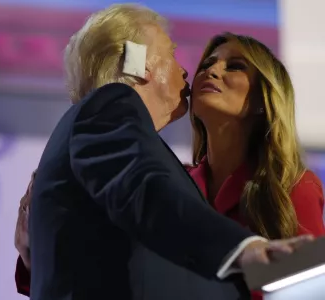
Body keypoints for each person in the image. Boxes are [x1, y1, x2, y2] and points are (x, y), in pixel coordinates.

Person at [16, 4, 314, 300]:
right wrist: (245, 251)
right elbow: (142, 192)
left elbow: (303, 277)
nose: (190, 70)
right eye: (172, 54)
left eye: (234, 66)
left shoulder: (289, 186)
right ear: (140, 63)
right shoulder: (113, 109)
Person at [185, 32, 325, 299]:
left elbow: (307, 292)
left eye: (235, 66)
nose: (212, 70)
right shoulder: (173, 182)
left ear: (262, 100)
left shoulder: (293, 186)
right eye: (206, 65)